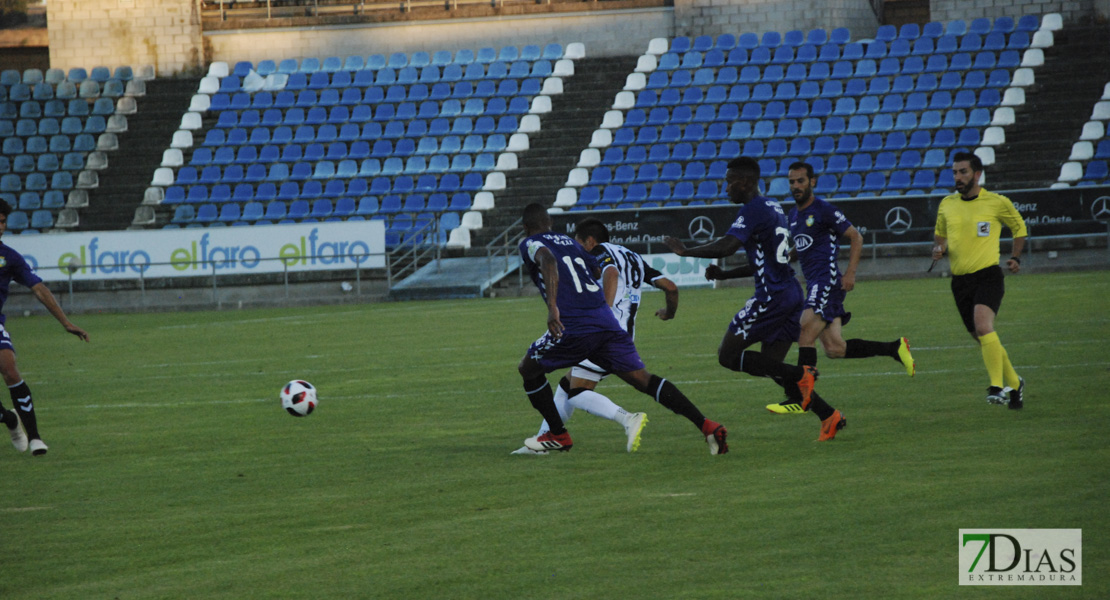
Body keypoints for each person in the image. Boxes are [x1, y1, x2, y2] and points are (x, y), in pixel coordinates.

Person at [516, 203, 729, 454]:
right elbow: (594, 269)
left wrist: (553, 306)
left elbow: (552, 261)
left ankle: (559, 435)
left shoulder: (531, 243)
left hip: (576, 323)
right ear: (550, 223)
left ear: (525, 227)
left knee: (528, 369)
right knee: (643, 381)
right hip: (608, 325)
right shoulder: (571, 243)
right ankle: (707, 426)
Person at [707, 161, 916, 415]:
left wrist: (850, 272)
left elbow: (856, 236)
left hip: (826, 281)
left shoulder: (824, 210)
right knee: (835, 348)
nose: (796, 186)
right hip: (812, 283)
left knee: (805, 330)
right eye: (792, 182)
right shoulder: (793, 217)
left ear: (812, 182)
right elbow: (789, 255)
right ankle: (894, 348)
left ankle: (802, 397)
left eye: (801, 181)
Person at [664, 157, 844, 441]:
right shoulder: (773, 207)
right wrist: (726, 276)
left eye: (729, 182)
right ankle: (828, 415)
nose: (725, 188)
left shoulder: (753, 209)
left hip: (771, 297)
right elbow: (768, 261)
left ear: (744, 182)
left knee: (728, 356)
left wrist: (687, 252)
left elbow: (727, 245)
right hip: (790, 293)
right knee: (771, 366)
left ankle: (802, 373)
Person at [932, 152, 1026, 409]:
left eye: (963, 172)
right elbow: (940, 237)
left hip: (988, 276)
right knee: (982, 336)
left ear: (977, 174)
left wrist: (1016, 257)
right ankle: (1015, 382)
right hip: (959, 281)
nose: (957, 177)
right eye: (954, 172)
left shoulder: (996, 202)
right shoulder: (947, 204)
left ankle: (997, 387)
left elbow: (1019, 228)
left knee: (984, 327)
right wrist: (939, 250)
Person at [0, 198, 90, 456]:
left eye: (3, 222)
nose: (0, 227)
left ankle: (36, 438)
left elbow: (39, 289)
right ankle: (9, 419)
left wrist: (66, 323)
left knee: (9, 368)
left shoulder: (9, 257)